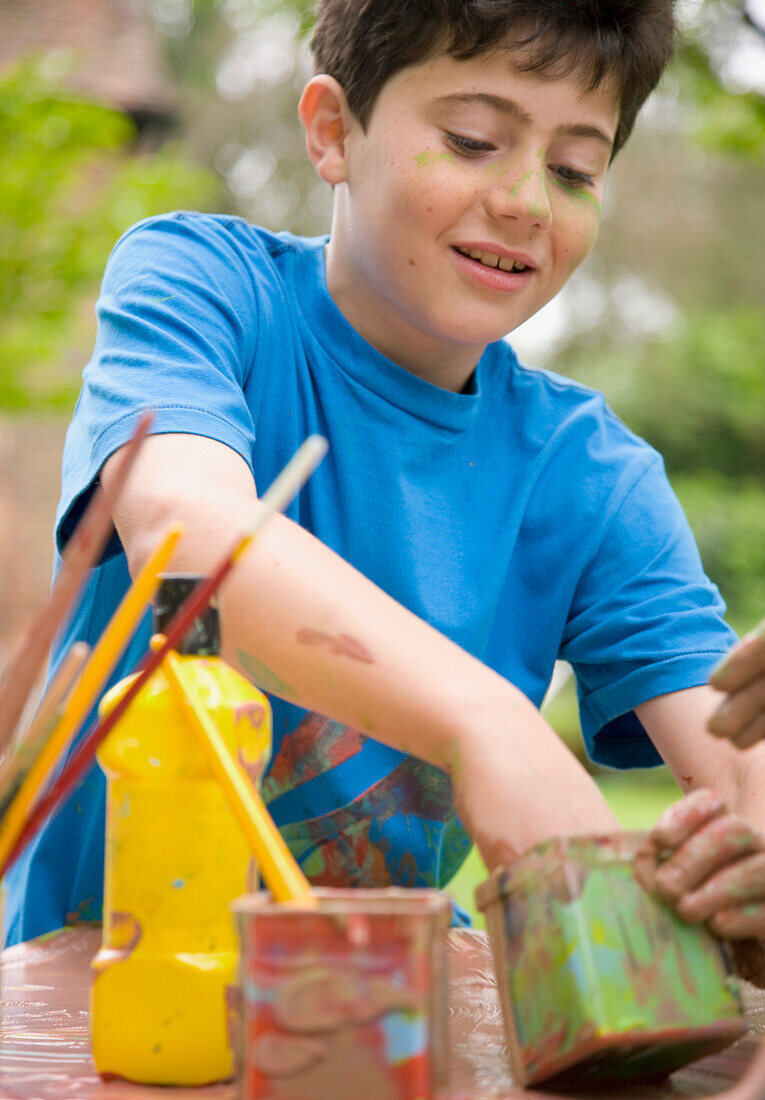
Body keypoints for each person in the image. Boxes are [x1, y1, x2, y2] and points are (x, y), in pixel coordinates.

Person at [5, 0, 765, 976]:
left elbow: (733, 757)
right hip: (104, 1007)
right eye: (474, 139)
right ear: (331, 130)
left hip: (381, 1014)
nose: (530, 200)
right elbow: (180, 523)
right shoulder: (203, 285)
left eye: (577, 168)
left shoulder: (592, 475)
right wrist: (487, 725)